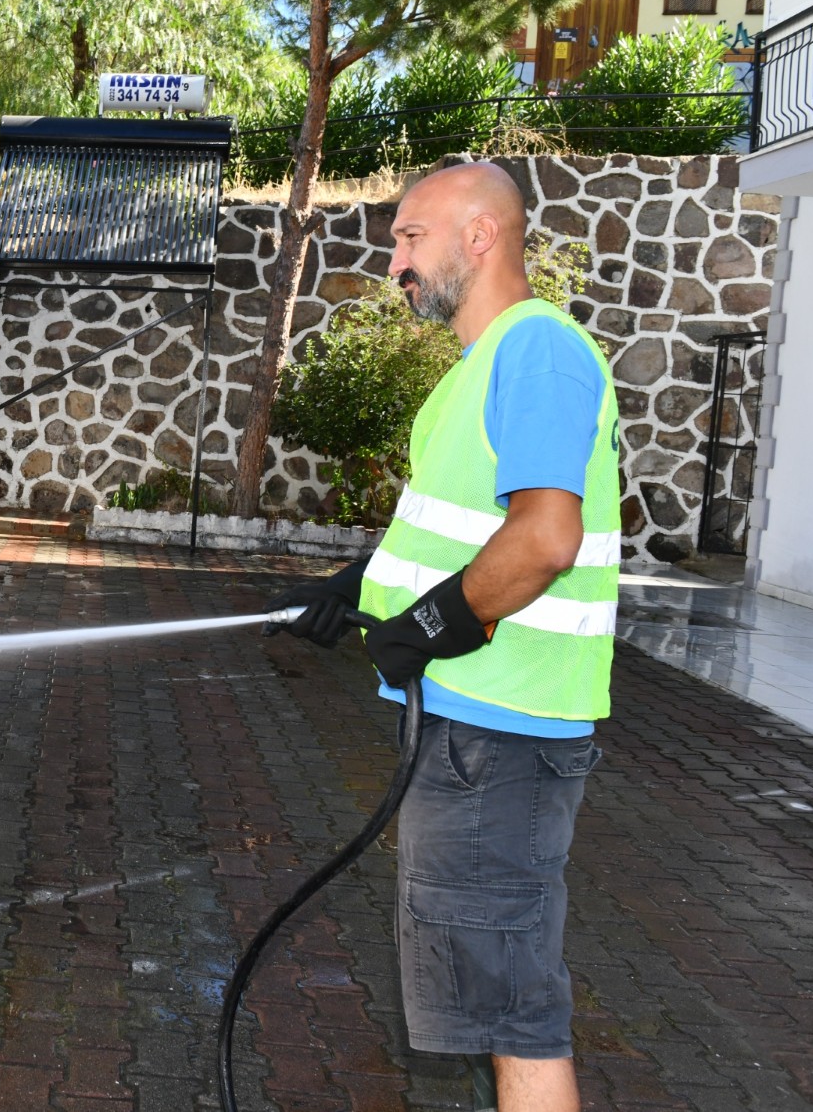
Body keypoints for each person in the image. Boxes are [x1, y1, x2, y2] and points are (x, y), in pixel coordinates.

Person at [269, 162, 617, 1112]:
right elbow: (460, 534)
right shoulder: (477, 370)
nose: (395, 263)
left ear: (480, 236)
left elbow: (544, 537)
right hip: (476, 731)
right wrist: (359, 588)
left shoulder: (537, 350)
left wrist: (432, 625)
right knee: (493, 1005)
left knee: (514, 1013)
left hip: (502, 735)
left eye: (409, 238)